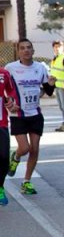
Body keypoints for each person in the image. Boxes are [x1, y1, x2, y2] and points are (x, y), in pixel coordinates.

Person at [6, 39, 56, 195]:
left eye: (29, 48)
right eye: (22, 48)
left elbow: (48, 91)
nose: (26, 50)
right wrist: (9, 103)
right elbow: (4, 90)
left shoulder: (40, 68)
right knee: (25, 148)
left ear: (33, 51)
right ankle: (15, 155)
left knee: (34, 149)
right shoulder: (10, 68)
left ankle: (26, 181)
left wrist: (51, 83)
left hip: (35, 114)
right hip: (18, 114)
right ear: (18, 51)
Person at [0, 68, 17, 206]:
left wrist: (10, 100)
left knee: (4, 157)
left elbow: (10, 91)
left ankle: (0, 186)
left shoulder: (4, 73)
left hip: (1, 122)